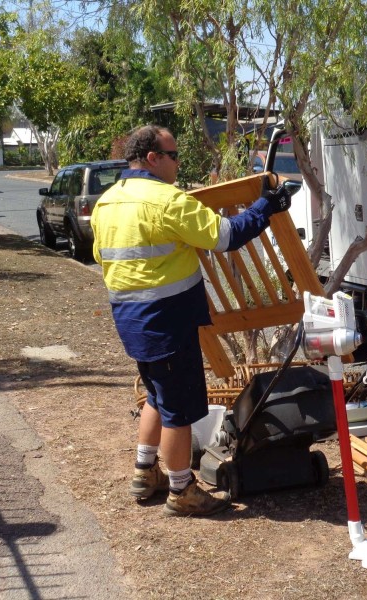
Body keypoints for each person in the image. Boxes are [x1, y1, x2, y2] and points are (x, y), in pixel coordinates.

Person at [92, 125, 291, 516]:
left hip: (131, 320)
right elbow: (227, 235)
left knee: (157, 395)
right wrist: (268, 206)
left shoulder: (108, 201)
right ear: (153, 158)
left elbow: (105, 260)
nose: (178, 163)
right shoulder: (166, 200)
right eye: (174, 155)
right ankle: (182, 490)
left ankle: (145, 472)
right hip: (167, 320)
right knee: (179, 411)